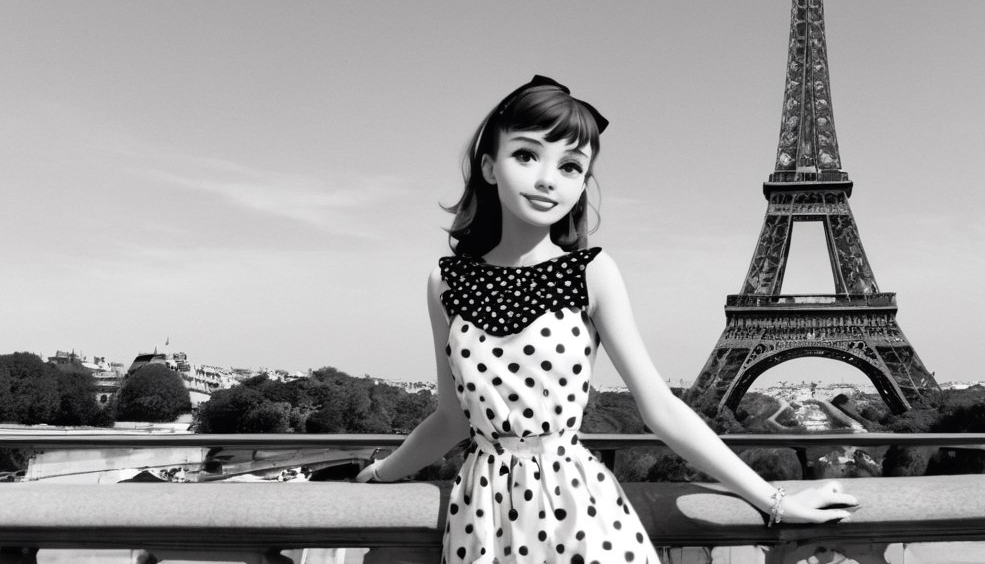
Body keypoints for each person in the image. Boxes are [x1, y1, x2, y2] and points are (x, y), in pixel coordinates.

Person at [355, 75, 856, 562]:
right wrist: (379, 474)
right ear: (489, 167)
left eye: (571, 166)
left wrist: (773, 500)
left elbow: (659, 407)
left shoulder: (593, 272)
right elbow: (449, 419)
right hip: (483, 516)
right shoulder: (445, 283)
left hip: (577, 511)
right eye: (526, 155)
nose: (548, 178)